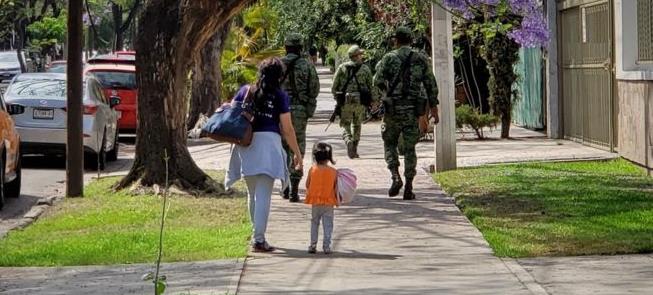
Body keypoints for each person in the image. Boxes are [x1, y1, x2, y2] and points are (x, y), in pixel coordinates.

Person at [226, 57, 303, 252]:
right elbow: (287, 129)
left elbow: (232, 115)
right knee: (263, 195)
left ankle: (256, 235)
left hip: (246, 143)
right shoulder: (280, 96)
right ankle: (258, 239)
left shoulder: (245, 91)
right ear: (279, 76)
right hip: (269, 146)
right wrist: (297, 153)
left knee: (252, 194)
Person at [373, 26, 440, 200]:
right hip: (412, 110)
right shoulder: (420, 58)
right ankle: (409, 186)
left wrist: (386, 93)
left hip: (392, 110)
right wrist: (433, 108)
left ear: (396, 40)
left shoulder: (388, 58)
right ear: (411, 40)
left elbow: (377, 80)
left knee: (389, 143)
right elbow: (431, 85)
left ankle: (395, 176)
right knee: (410, 148)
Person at [281, 33, 320, 203]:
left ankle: (285, 183)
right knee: (297, 145)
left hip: (279, 110)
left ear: (286, 47)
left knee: (282, 147)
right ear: (300, 48)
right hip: (299, 110)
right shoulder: (307, 65)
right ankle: (294, 186)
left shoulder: (278, 65)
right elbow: (315, 88)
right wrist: (308, 106)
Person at [331, 45, 376, 159]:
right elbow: (371, 86)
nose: (362, 56)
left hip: (346, 101)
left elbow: (334, 86)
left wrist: (337, 98)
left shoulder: (342, 68)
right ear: (357, 56)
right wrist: (373, 101)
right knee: (357, 124)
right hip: (360, 101)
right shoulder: (365, 69)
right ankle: (354, 147)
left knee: (345, 124)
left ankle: (348, 140)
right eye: (360, 54)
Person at [304, 142, 338, 254]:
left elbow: (307, 184)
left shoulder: (312, 170)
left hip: (315, 202)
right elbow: (336, 186)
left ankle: (313, 245)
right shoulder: (333, 172)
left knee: (314, 222)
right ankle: (326, 246)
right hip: (328, 202)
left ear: (315, 157)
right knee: (328, 224)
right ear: (328, 157)